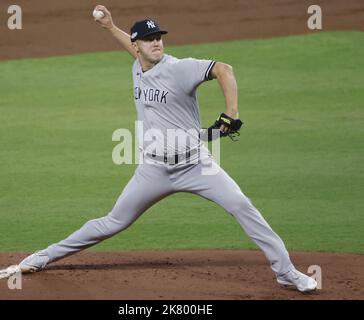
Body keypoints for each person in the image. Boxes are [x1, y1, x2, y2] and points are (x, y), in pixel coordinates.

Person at [18, 5, 317, 293]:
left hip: (196, 165)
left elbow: (224, 69)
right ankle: (45, 256)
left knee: (242, 206)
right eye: (148, 39)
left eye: (158, 37)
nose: (156, 43)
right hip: (154, 169)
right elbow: (131, 47)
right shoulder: (138, 65)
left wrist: (232, 113)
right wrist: (110, 27)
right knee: (113, 221)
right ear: (138, 46)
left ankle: (286, 273)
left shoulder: (180, 69)